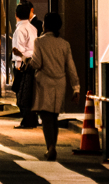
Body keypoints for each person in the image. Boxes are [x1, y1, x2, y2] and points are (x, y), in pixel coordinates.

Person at [29, 12, 80, 161]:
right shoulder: (64, 44)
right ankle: (53, 146)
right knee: (54, 117)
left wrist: (28, 62)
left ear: (46, 25)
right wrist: (76, 88)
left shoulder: (39, 42)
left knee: (46, 117)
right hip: (60, 84)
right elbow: (71, 67)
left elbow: (37, 63)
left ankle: (50, 147)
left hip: (44, 83)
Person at [11, 2, 39, 129]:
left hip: (22, 65)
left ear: (16, 15)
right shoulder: (33, 28)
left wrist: (18, 66)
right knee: (29, 93)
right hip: (33, 63)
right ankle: (31, 119)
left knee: (21, 93)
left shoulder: (19, 30)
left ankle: (27, 120)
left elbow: (18, 49)